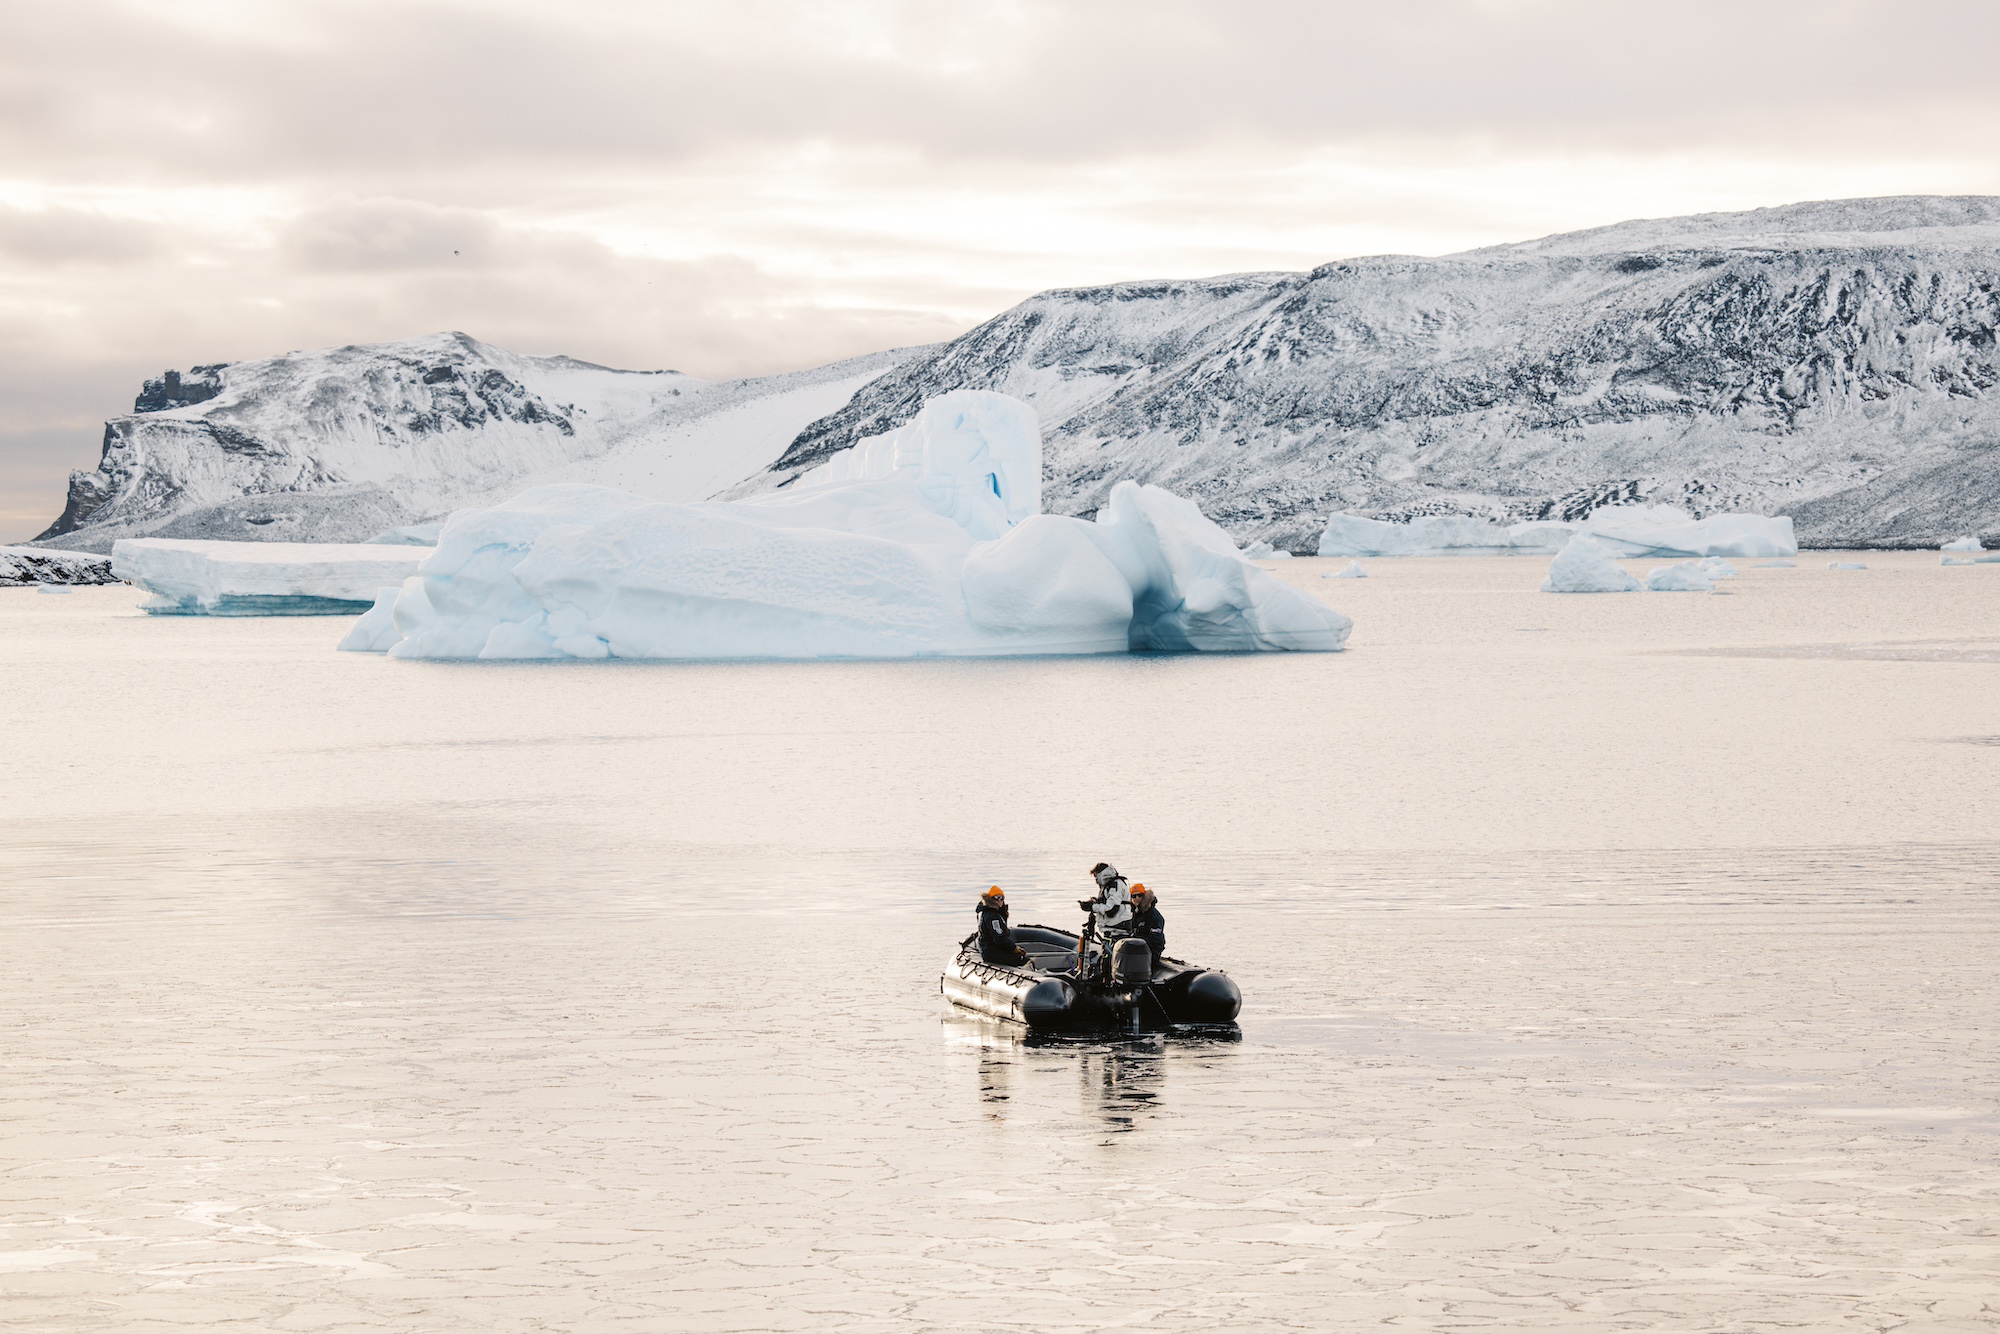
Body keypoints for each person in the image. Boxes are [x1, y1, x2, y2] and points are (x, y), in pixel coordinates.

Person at [975, 885, 1029, 965]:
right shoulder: (992, 917)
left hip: (994, 950)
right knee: (1024, 960)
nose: (999, 900)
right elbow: (999, 938)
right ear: (991, 899)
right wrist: (1014, 948)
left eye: (1001, 898)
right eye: (996, 898)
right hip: (993, 953)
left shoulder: (995, 913)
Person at [1082, 861, 1133, 931]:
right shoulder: (1109, 886)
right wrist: (1095, 902)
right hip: (1112, 927)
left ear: (1101, 874)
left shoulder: (1115, 885)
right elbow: (1109, 902)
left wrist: (1093, 907)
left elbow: (1111, 910)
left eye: (1095, 876)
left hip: (1118, 927)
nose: (1096, 881)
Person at [1127, 883, 1166, 961]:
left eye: (1139, 895)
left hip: (1150, 951)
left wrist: (1135, 940)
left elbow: (1155, 939)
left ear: (1144, 896)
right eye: (1133, 896)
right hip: (1137, 949)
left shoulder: (1154, 915)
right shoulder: (1133, 912)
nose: (1137, 898)